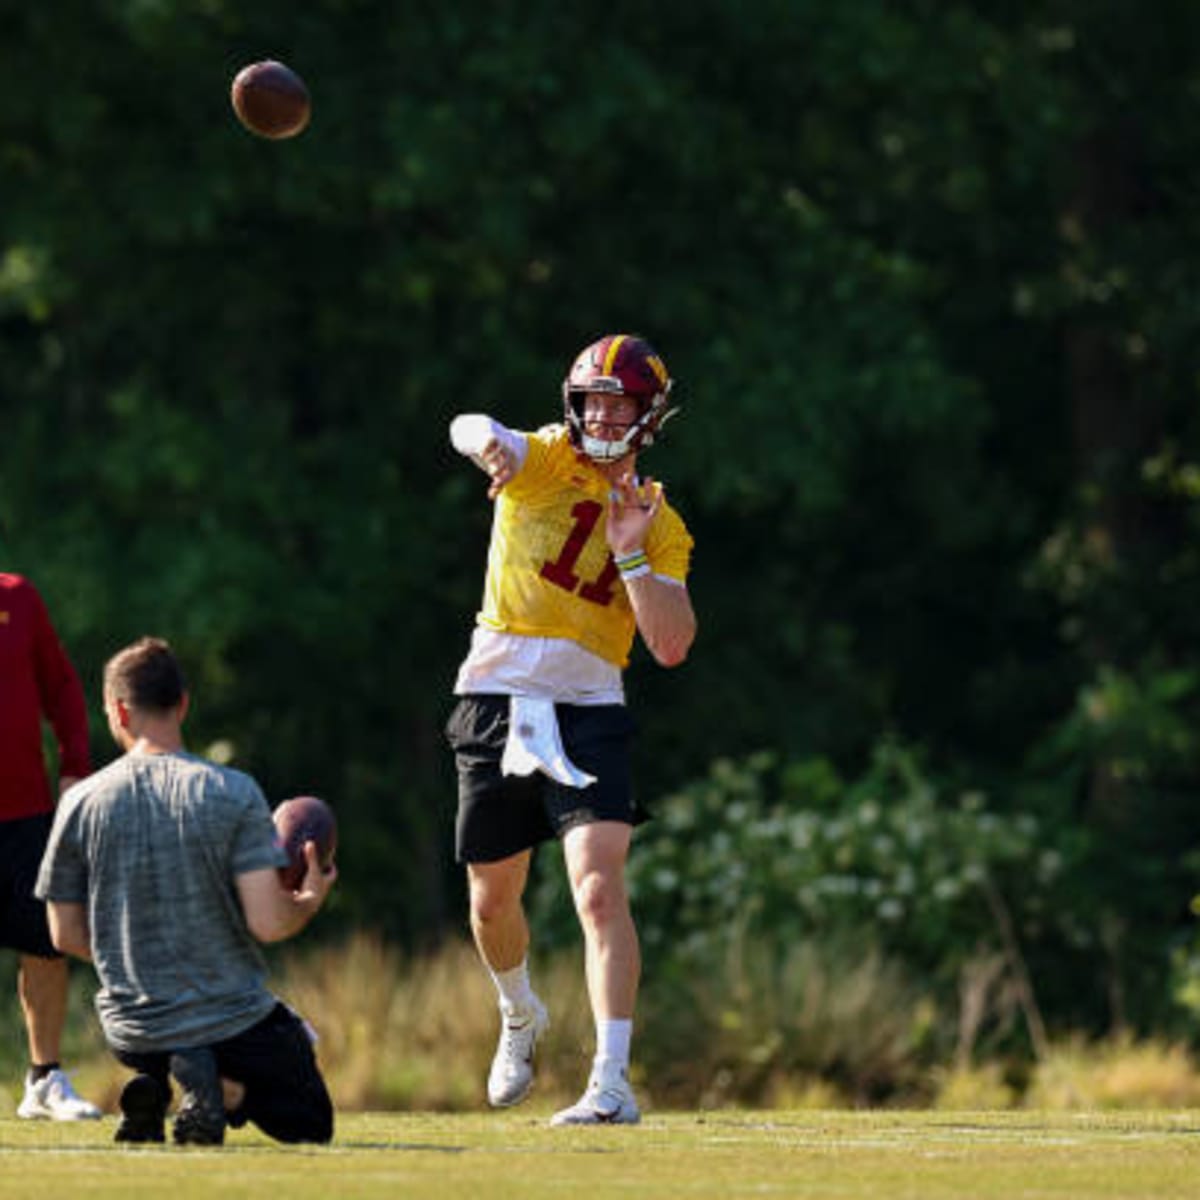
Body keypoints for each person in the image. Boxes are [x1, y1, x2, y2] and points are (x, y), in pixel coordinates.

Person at [445, 333, 697, 1126]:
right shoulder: (550, 459)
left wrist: (630, 557)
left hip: (590, 708)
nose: (602, 414)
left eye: (618, 402)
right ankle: (519, 1014)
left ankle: (612, 1081)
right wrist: (483, 439)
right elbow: (470, 423)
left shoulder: (660, 523)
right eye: (591, 400)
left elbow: (671, 644)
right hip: (496, 697)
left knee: (598, 886)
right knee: (492, 903)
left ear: (648, 415)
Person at [35, 636, 337, 1145]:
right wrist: (308, 901)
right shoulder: (233, 793)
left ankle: (161, 1080)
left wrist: (133, 963)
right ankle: (220, 1087)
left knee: (161, 1044)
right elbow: (268, 923)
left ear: (117, 710)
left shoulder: (80, 802)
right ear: (183, 703)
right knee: (308, 1120)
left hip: (133, 1029)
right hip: (230, 1021)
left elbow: (63, 934)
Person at [0, 572, 102, 1121]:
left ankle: (43, 1080)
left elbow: (60, 686)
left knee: (45, 944)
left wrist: (75, 770)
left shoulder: (17, 597)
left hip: (26, 812)